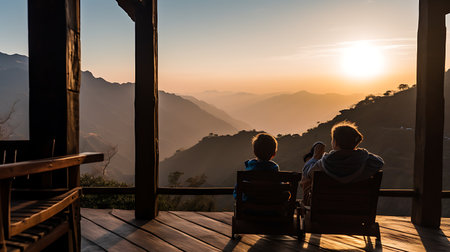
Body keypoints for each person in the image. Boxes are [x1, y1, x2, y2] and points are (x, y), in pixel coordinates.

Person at [301, 121, 384, 205]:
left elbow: (308, 173)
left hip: (326, 208)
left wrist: (314, 158)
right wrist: (362, 153)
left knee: (306, 179)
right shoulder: (366, 161)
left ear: (335, 142)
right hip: (356, 209)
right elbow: (379, 162)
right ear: (356, 143)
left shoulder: (324, 163)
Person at [233, 133, 279, 199]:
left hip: (249, 207)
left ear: (254, 152)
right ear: (274, 154)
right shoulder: (275, 169)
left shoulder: (249, 169)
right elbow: (279, 190)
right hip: (271, 207)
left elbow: (236, 192)